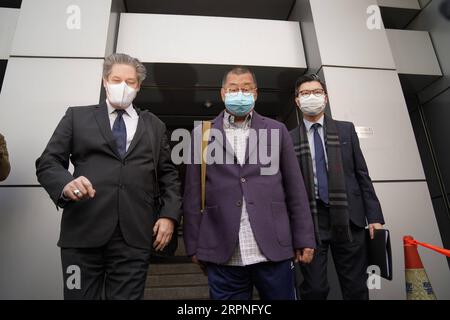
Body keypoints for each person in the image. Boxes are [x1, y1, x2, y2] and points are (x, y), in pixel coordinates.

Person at [36, 53, 182, 300]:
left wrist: (169, 216)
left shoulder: (155, 125)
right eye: (116, 79)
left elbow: (169, 175)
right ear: (105, 81)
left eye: (130, 81)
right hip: (82, 232)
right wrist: (66, 183)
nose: (122, 86)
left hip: (135, 235)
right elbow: (48, 162)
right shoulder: (77, 116)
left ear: (138, 86)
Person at [183, 66, 316, 300]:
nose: (240, 93)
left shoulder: (277, 130)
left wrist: (304, 236)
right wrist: (192, 245)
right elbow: (192, 193)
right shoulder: (202, 134)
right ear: (223, 94)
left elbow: (295, 188)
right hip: (222, 250)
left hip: (273, 247)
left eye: (246, 88)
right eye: (233, 89)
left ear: (255, 93)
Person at [290, 74, 385, 300]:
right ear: (297, 101)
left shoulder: (345, 130)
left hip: (349, 217)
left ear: (325, 97)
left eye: (316, 92)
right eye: (305, 93)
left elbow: (362, 175)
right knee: (314, 289)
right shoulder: (289, 138)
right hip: (312, 221)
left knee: (356, 287)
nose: (311, 97)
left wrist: (375, 216)